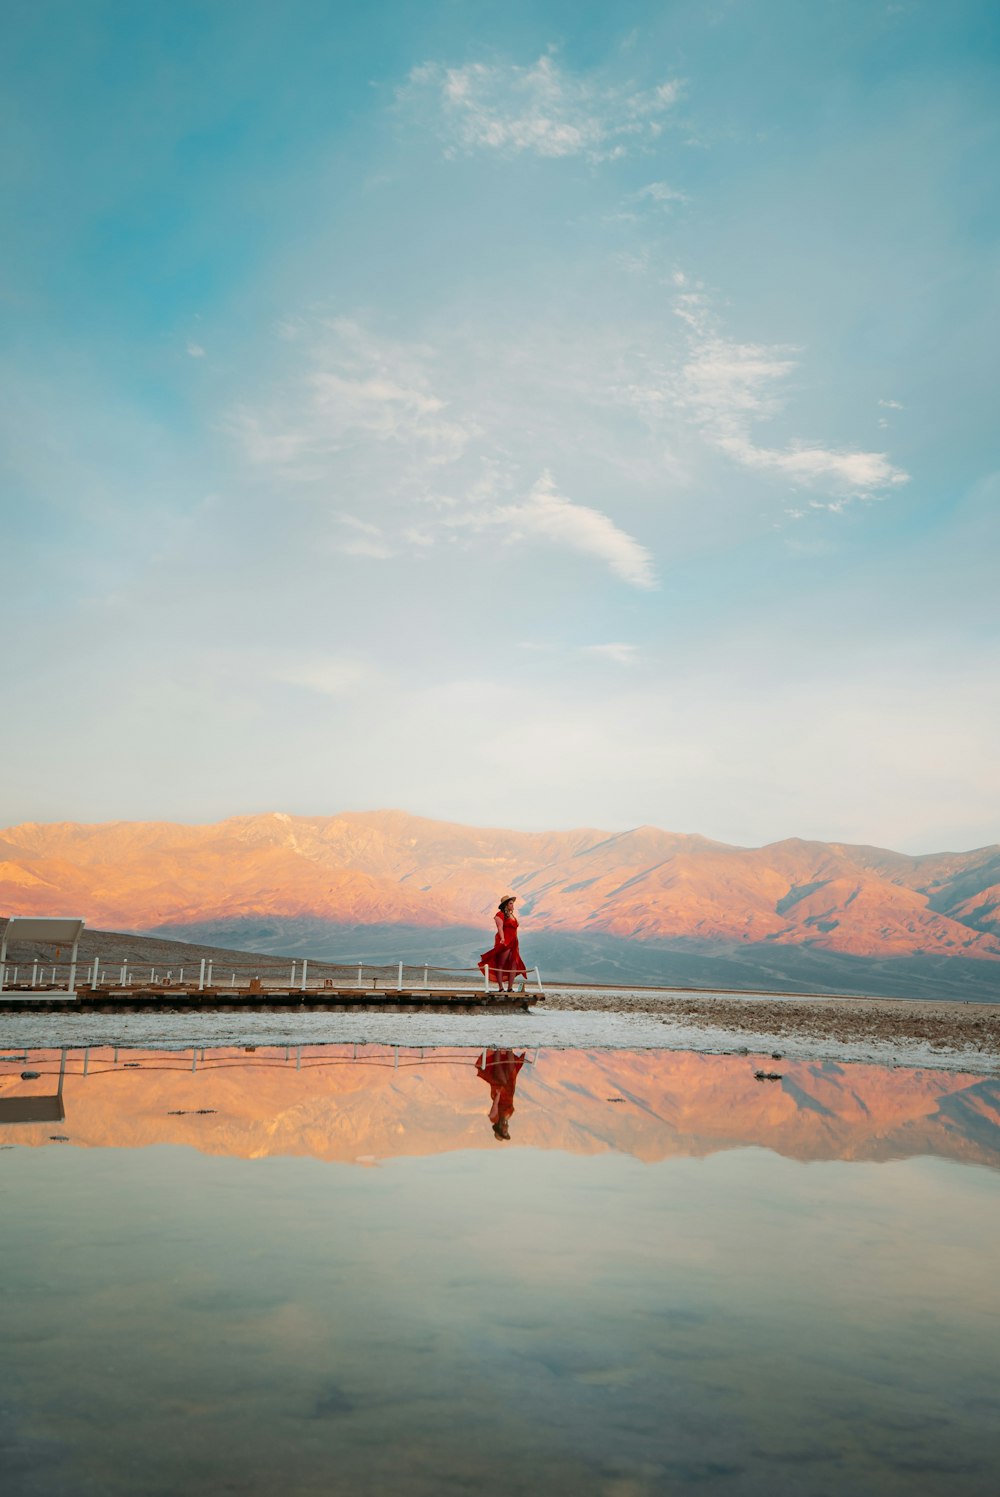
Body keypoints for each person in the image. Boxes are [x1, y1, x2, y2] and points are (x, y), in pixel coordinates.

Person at [478, 895, 527, 993]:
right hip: (505, 941)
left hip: (514, 941)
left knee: (514, 963)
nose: (513, 905)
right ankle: (501, 988)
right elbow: (500, 928)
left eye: (513, 903)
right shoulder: (499, 914)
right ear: (505, 905)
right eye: (510, 903)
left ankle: (510, 988)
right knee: (501, 963)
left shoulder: (512, 915)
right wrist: (503, 938)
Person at [476, 1048, 526, 1140]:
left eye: (505, 1131)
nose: (506, 1129)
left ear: (499, 1129)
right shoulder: (508, 1117)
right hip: (510, 1090)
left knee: (500, 1072)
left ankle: (499, 1048)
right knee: (511, 1070)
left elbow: (495, 1105)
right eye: (507, 1131)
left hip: (499, 1093)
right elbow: (510, 1105)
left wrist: (499, 1093)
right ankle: (508, 1048)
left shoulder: (494, 1119)